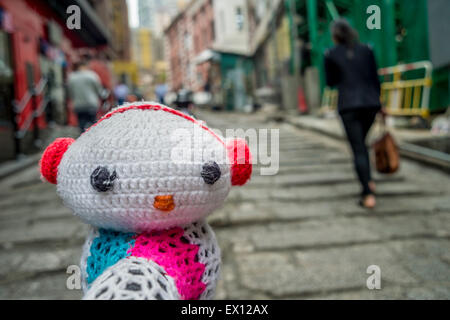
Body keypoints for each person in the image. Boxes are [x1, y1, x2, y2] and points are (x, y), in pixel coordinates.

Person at [324, 19, 382, 209]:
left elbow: (330, 82)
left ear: (335, 36)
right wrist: (382, 104)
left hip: (349, 106)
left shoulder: (331, 54)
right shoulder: (367, 50)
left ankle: (368, 193)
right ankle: (368, 181)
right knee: (362, 146)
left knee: (358, 148)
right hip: (370, 104)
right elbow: (375, 79)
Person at [67, 60, 104, 132]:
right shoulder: (92, 75)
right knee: (93, 124)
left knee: (81, 124)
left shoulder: (72, 77)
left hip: (78, 105)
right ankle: (93, 139)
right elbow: (99, 90)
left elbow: (70, 93)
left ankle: (83, 139)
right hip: (91, 103)